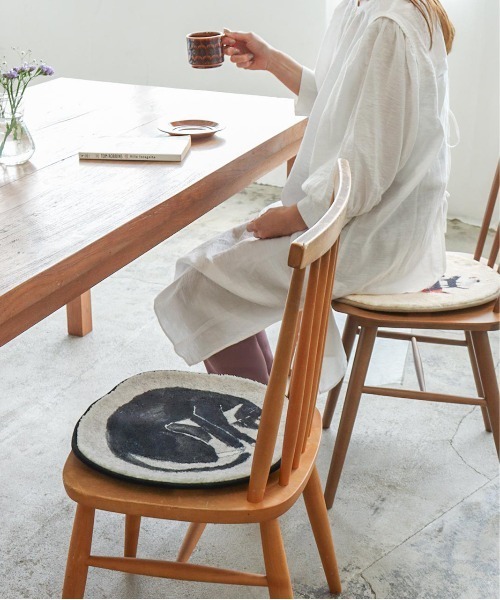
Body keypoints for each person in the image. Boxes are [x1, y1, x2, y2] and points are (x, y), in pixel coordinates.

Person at [155, 0, 455, 390]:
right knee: (204, 274)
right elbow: (338, 103)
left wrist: (295, 216)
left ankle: (263, 421)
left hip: (378, 234)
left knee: (200, 290)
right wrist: (271, 59)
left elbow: (366, 169)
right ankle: (270, 413)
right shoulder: (363, 7)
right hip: (358, 215)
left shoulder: (390, 25)